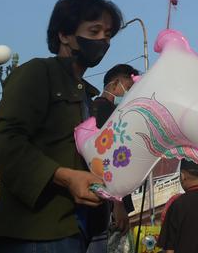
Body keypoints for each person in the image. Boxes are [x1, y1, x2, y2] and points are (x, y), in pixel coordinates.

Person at [0, 0, 124, 252]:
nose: (103, 40)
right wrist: (64, 177)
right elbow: (4, 144)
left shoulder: (86, 95)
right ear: (64, 35)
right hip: (37, 232)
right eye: (94, 31)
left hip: (80, 230)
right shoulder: (38, 73)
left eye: (108, 34)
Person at [87, 64, 138, 253]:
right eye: (129, 88)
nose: (130, 94)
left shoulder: (94, 108)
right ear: (116, 84)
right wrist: (116, 203)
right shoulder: (105, 112)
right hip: (107, 206)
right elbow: (103, 159)